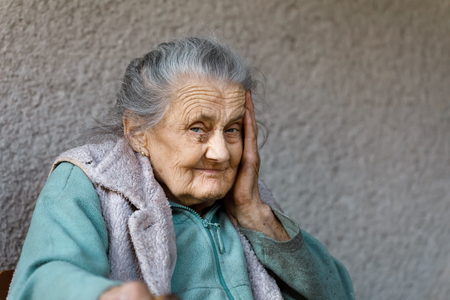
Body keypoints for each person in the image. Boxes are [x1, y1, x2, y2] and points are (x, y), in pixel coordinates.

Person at [8, 36, 354, 300]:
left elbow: (339, 293)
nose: (220, 153)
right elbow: (41, 280)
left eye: (232, 129)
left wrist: (256, 216)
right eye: (197, 128)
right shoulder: (90, 178)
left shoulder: (246, 199)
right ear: (137, 132)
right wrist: (108, 296)